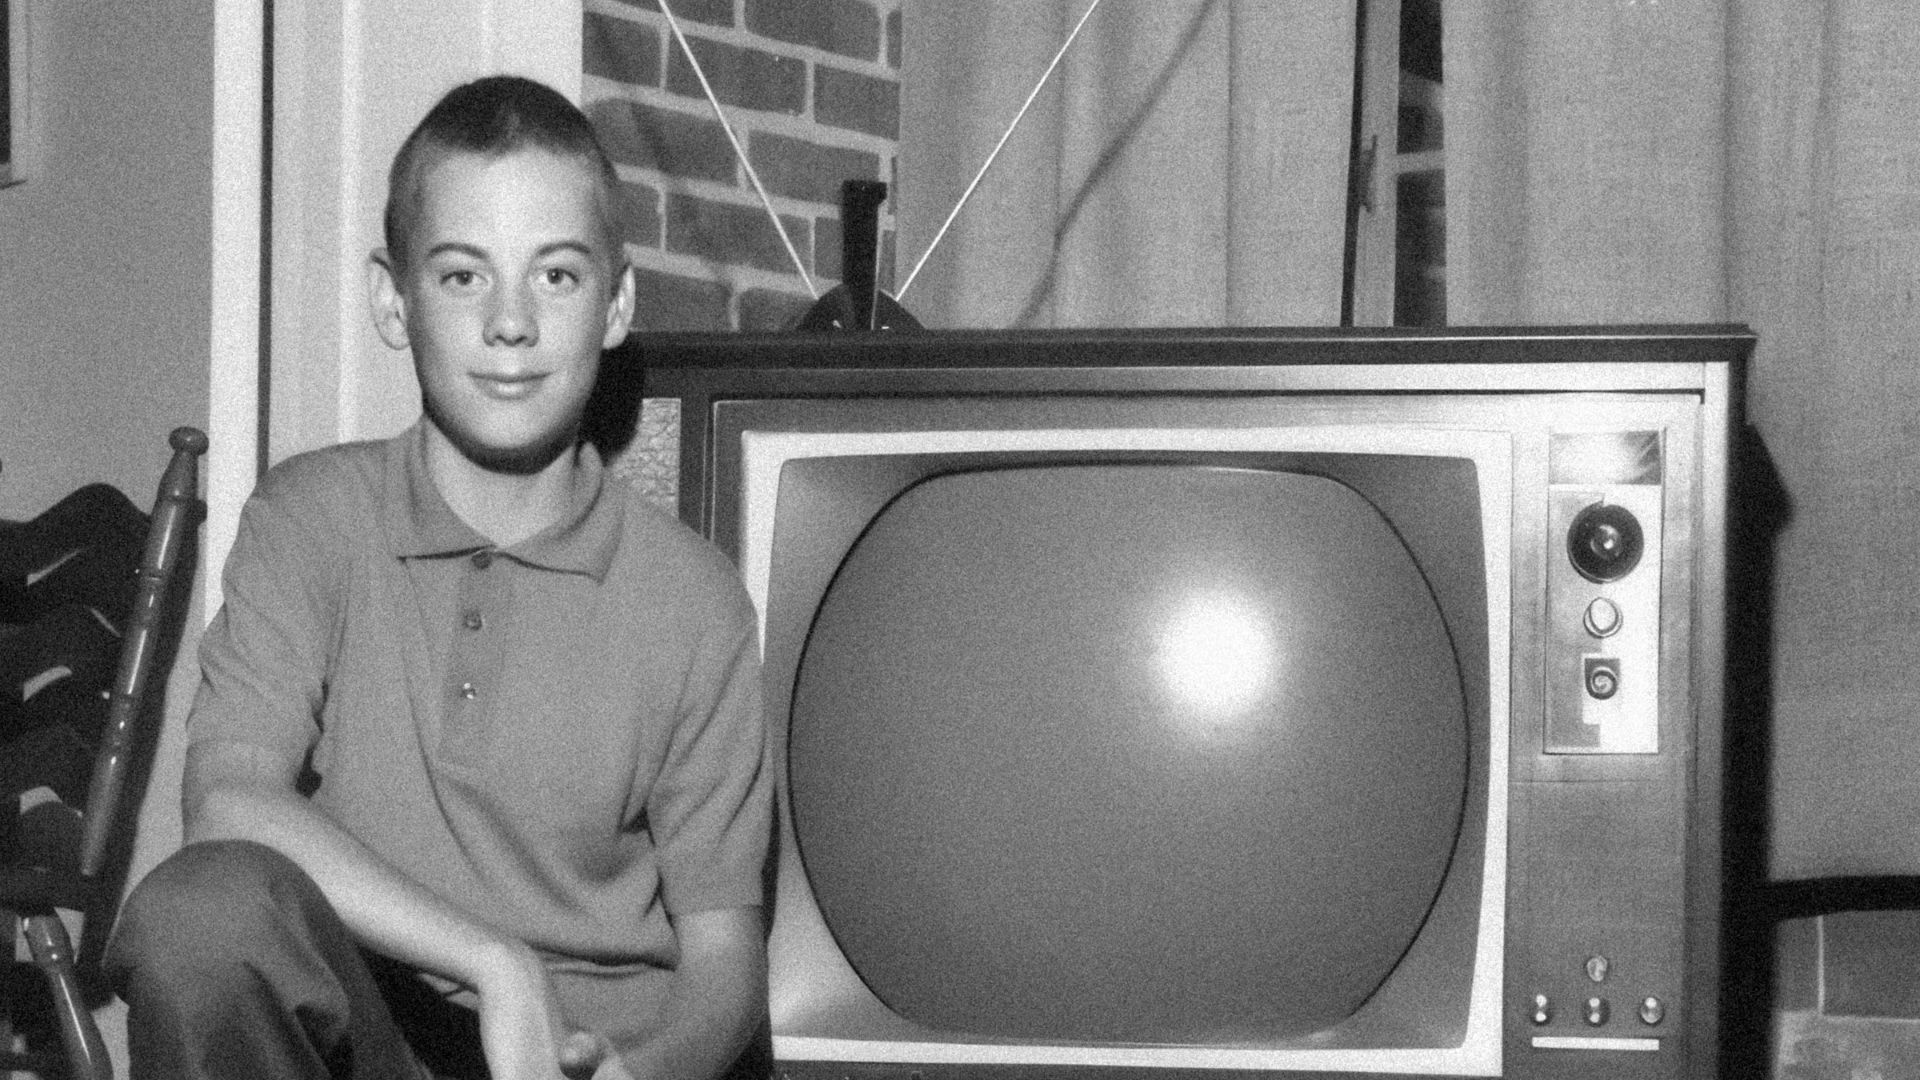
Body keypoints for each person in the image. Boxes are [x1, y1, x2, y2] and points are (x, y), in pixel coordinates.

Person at [104, 75, 773, 1080]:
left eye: (556, 277)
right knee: (197, 914)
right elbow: (229, 801)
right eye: (463, 276)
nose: (511, 324)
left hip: (593, 1061)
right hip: (369, 1042)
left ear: (617, 302)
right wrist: (497, 964)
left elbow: (724, 960)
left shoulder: (695, 600)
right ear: (392, 297)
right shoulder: (312, 521)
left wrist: (645, 1074)